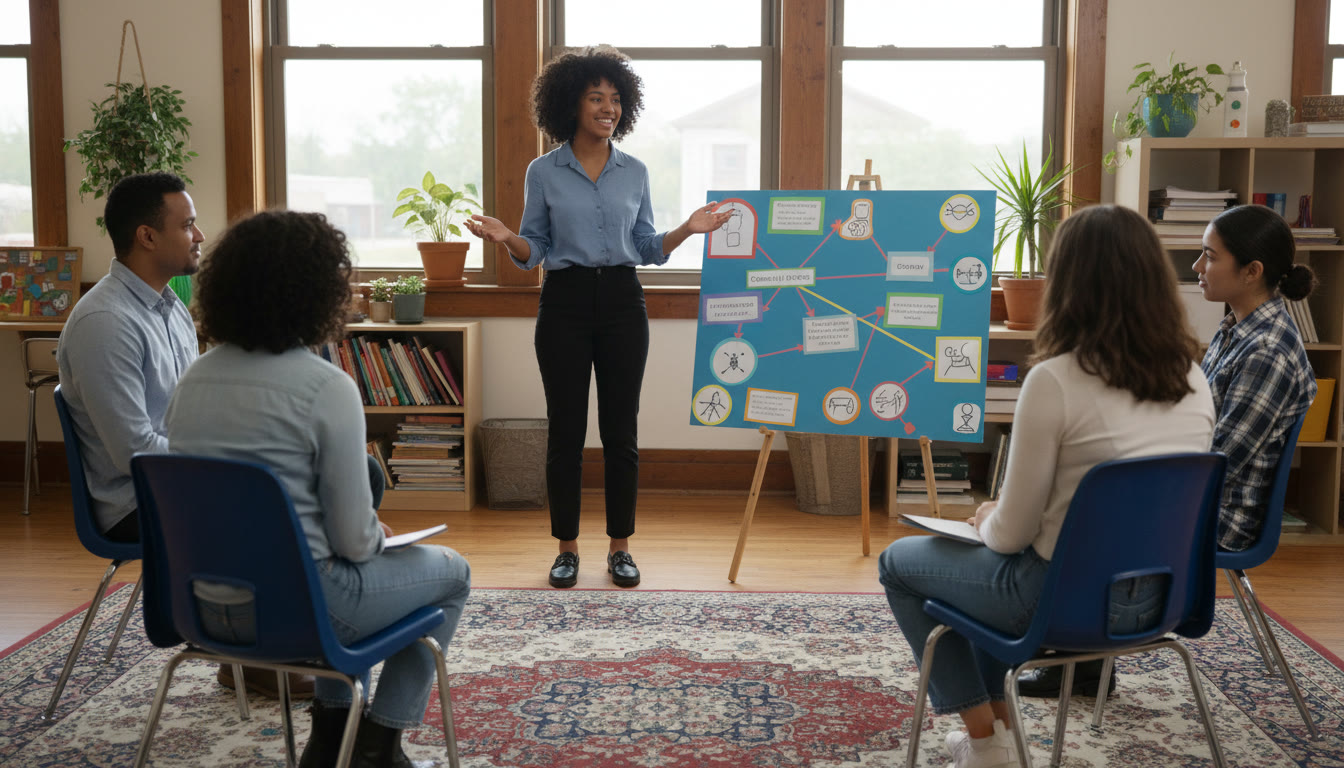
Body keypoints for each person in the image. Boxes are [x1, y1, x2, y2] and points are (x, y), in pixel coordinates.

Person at [878, 205, 1215, 768]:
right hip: (1162, 601)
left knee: (900, 563)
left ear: (1067, 284)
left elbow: (1010, 539)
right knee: (985, 570)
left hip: (1060, 604)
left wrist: (988, 516)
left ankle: (987, 743)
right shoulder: (1196, 379)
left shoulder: (1055, 380)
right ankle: (1002, 728)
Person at [165, 209, 471, 768]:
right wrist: (367, 534)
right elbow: (355, 546)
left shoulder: (192, 380)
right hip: (302, 614)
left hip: (202, 609)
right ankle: (379, 745)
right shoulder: (324, 385)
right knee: (450, 574)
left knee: (340, 556)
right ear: (317, 291)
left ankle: (330, 737)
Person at [1022, 204, 1319, 701]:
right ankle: (1083, 660)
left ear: (1252, 271)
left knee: (1073, 508)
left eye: (1209, 257)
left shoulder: (1266, 349)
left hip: (1217, 514)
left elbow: (1216, 463)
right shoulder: (1237, 328)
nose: (1198, 269)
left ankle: (1073, 650)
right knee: (1079, 490)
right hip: (1194, 495)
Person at [464, 46, 731, 589]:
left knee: (620, 430)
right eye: (595, 98)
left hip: (622, 303)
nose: (607, 108)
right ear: (571, 104)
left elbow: (649, 246)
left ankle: (620, 547)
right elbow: (534, 248)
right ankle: (566, 549)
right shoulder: (544, 170)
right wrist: (505, 238)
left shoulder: (635, 171)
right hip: (562, 301)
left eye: (614, 100)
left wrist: (689, 228)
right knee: (566, 430)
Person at [54, 172, 309, 699]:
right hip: (138, 501)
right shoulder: (106, 323)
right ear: (148, 236)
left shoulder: (166, 305)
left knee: (323, 472)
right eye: (187, 224)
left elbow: (192, 413)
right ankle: (252, 653)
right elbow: (137, 454)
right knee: (283, 496)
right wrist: (236, 464)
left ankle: (275, 639)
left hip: (181, 477)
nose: (199, 235)